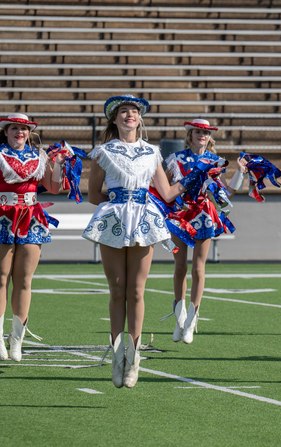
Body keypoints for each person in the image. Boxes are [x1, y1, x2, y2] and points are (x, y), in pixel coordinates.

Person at [83, 95, 187, 388]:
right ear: (114, 120)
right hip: (115, 219)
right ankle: (118, 357)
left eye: (134, 112)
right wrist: (118, 205)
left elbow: (166, 193)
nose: (130, 115)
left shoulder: (152, 152)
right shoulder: (104, 152)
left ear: (140, 120)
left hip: (143, 220)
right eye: (124, 112)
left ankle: (134, 356)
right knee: (117, 289)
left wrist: (193, 179)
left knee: (137, 291)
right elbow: (93, 195)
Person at [164, 119, 246, 344]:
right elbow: (166, 190)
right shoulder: (175, 159)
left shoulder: (215, 161)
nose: (202, 135)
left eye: (206, 133)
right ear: (189, 135)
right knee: (179, 266)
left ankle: (192, 319)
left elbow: (226, 193)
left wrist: (240, 172)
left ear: (210, 137)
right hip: (181, 215)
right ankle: (179, 318)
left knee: (199, 268)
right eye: (198, 132)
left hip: (204, 215)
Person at [0, 113, 65, 361]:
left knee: (24, 279)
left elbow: (54, 187)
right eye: (15, 128)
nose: (20, 132)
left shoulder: (39, 156)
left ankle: (17, 339)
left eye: (24, 129)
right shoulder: (0, 154)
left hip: (31, 218)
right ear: (6, 131)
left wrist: (58, 163)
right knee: (1, 278)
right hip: (2, 217)